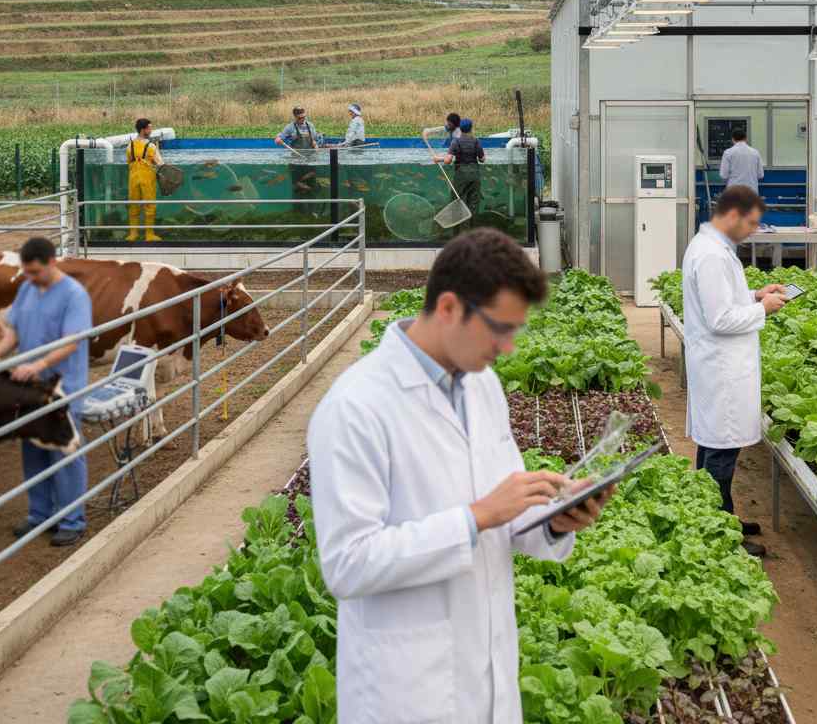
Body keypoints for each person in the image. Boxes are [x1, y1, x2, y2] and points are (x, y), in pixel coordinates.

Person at [308, 230, 611, 723]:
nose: (509, 348)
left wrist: (555, 518)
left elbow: (504, 514)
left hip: (484, 671)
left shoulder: (481, 385)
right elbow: (348, 564)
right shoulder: (355, 407)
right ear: (449, 308)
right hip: (406, 692)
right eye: (500, 329)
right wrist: (474, 518)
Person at [682, 186, 788, 557]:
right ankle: (719, 532)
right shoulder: (711, 255)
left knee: (713, 445)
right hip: (721, 368)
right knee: (720, 452)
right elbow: (720, 317)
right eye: (752, 224)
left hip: (719, 366)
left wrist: (756, 294)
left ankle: (718, 513)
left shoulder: (714, 248)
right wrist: (765, 310)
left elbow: (725, 300)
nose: (753, 231)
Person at [0, 237, 92, 548]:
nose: (30, 278)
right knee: (32, 447)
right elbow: (14, 331)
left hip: (62, 387)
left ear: (51, 263)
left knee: (64, 451)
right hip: (30, 388)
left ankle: (72, 519)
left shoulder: (74, 296)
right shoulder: (27, 289)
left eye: (35, 272)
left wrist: (39, 365)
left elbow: (73, 340)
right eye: (27, 273)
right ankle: (40, 515)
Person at [435, 117, 485, 227]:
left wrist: (439, 159)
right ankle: (474, 233)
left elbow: (448, 160)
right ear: (471, 128)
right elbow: (482, 159)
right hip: (474, 175)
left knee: (457, 203)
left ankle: (458, 233)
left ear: (460, 129)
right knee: (473, 204)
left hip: (461, 175)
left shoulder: (456, 141)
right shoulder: (476, 141)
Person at [126, 117, 163, 243]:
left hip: (133, 179)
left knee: (133, 205)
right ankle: (149, 234)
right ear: (143, 130)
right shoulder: (151, 146)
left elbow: (129, 161)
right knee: (150, 206)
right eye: (149, 128)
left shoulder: (129, 145)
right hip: (147, 179)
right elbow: (160, 163)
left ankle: (133, 234)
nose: (151, 130)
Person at [275, 106, 320, 201]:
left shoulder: (310, 125)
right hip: (296, 161)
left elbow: (314, 140)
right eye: (300, 118)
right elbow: (280, 137)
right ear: (295, 117)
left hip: (310, 160)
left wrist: (316, 147)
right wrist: (278, 139)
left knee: (311, 181)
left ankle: (312, 207)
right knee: (297, 185)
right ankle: (298, 207)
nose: (302, 119)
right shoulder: (290, 127)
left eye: (304, 117)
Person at [719, 126, 764, 194]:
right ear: (745, 138)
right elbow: (760, 175)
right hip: (752, 192)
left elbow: (723, 175)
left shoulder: (728, 153)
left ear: (732, 139)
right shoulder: (755, 152)